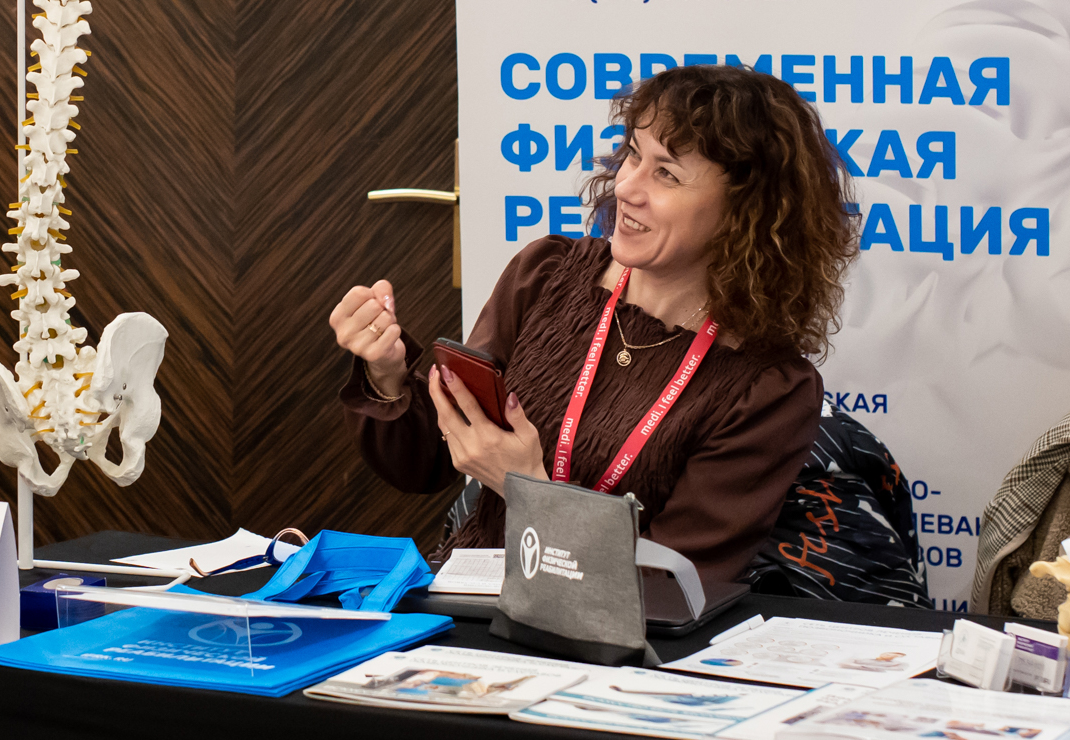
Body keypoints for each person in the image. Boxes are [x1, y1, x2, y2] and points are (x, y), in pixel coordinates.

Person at [329, 63, 855, 590]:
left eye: (667, 174)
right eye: (633, 154)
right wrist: (387, 374)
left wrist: (527, 487)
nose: (626, 186)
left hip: (604, 637)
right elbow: (426, 463)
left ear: (746, 213)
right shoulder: (546, 274)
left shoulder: (768, 391)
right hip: (470, 604)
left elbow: (672, 588)